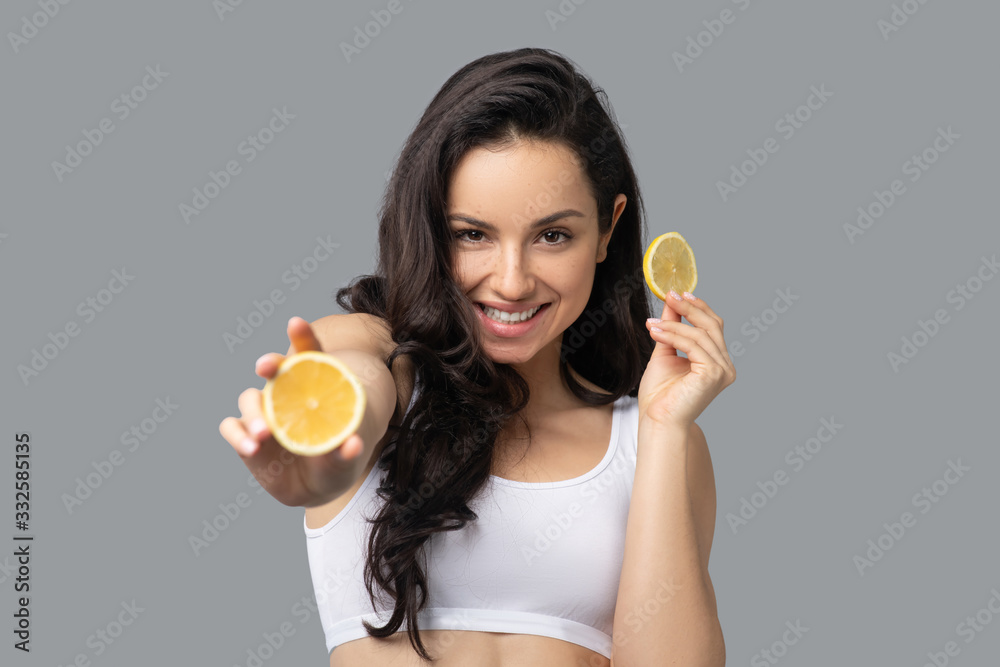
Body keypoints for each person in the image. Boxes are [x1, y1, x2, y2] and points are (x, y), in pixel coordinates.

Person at [219, 47, 735, 667]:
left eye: (552, 235)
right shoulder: (384, 359)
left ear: (607, 230)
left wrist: (663, 429)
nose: (512, 281)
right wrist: (328, 445)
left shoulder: (648, 443)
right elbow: (353, 377)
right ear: (432, 233)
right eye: (473, 234)